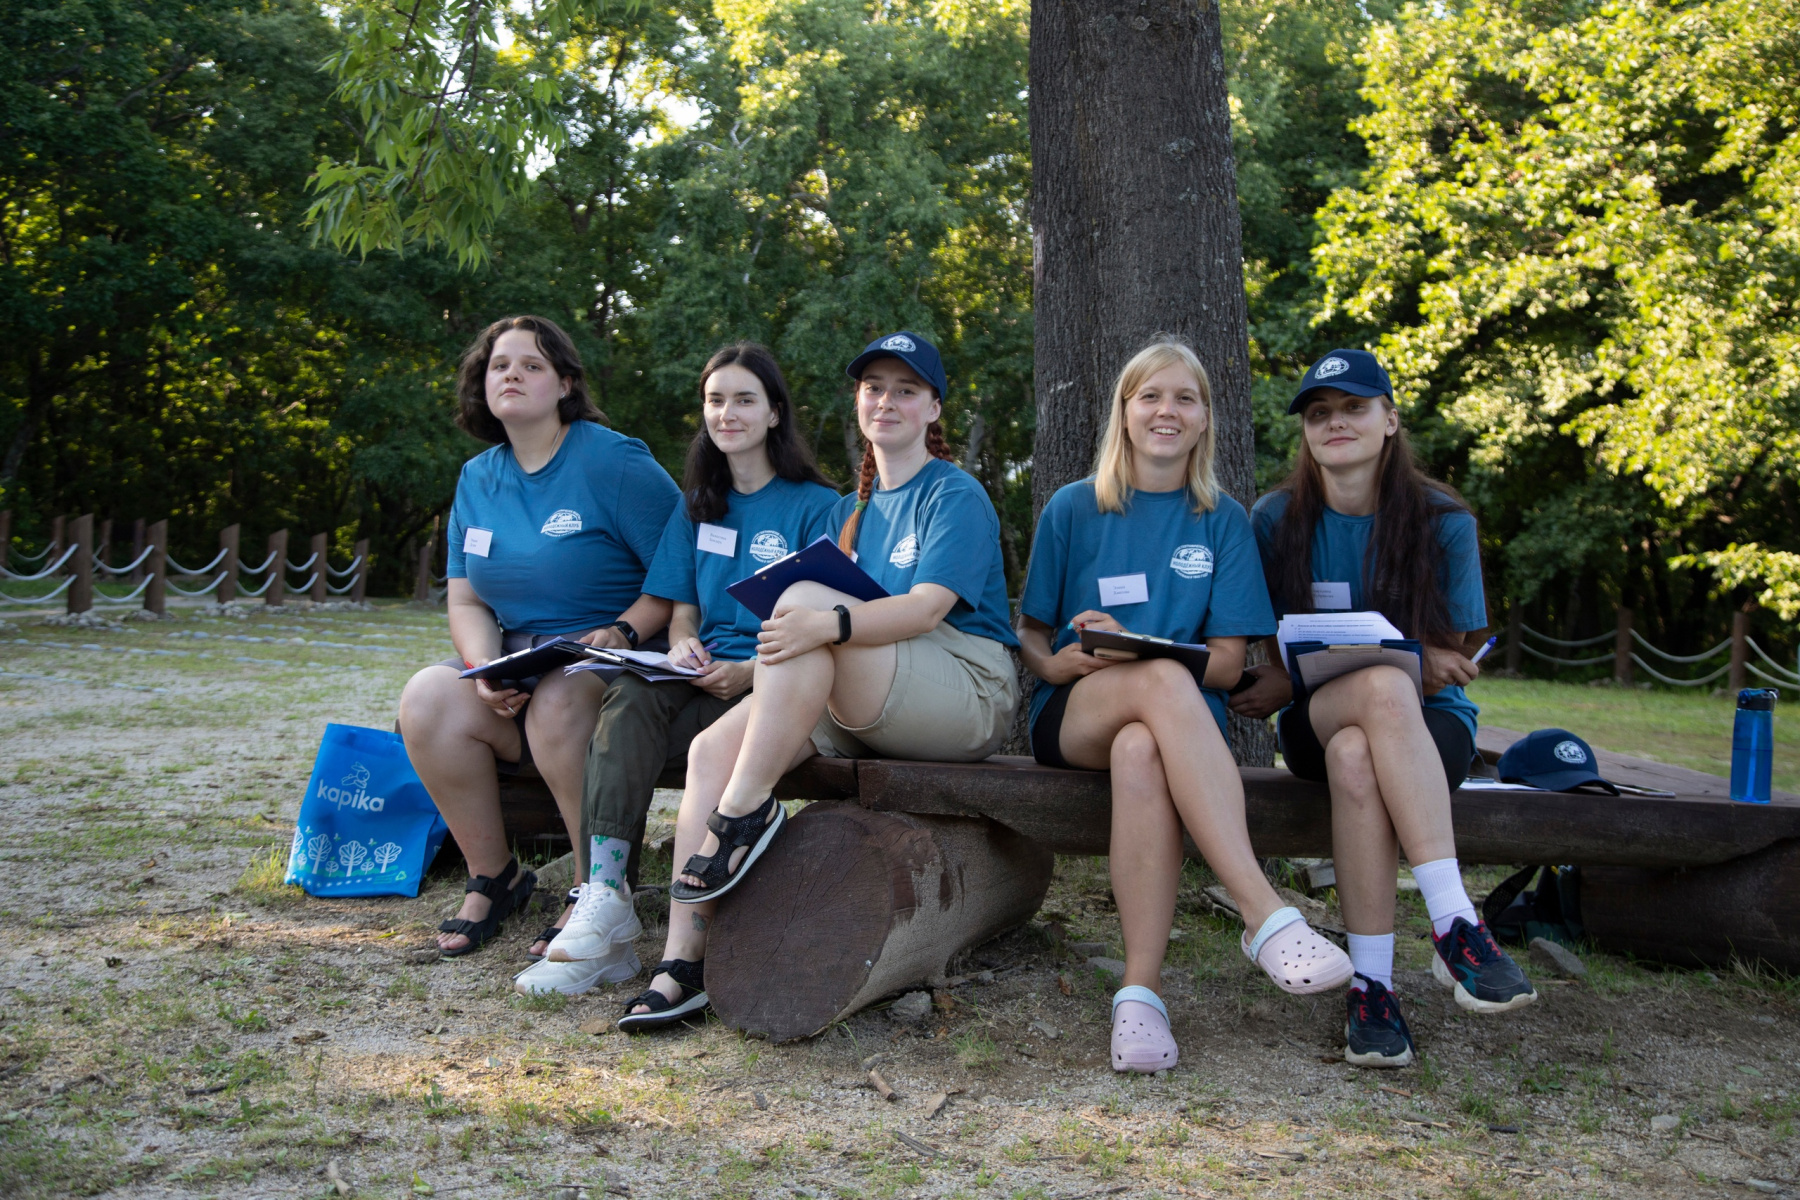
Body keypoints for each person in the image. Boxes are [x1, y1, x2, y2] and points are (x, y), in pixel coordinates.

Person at [618, 331, 1019, 1031]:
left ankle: (744, 814)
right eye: (873, 388)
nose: (886, 401)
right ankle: (683, 963)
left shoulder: (953, 492)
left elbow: (926, 610)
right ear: (858, 402)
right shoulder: (852, 511)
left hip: (965, 686)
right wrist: (814, 626)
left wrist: (823, 621)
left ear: (933, 408)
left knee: (805, 604)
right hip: (873, 687)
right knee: (711, 751)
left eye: (905, 390)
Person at [1016, 338, 1353, 1075]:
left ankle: (1139, 995)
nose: (1166, 411)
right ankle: (1262, 912)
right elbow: (1031, 631)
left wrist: (1142, 647)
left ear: (1204, 419)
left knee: (1143, 742)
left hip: (1175, 730)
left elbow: (1228, 665)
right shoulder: (1075, 506)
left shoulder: (1222, 519)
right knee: (1164, 683)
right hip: (1075, 711)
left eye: (1185, 398)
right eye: (1150, 396)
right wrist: (1051, 661)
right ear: (1124, 412)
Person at [1230, 348, 1536, 1070]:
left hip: (1430, 729)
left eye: (1354, 408)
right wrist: (1390, 661)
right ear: (1306, 432)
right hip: (1314, 717)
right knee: (1377, 691)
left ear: (1390, 420)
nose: (1336, 422)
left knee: (1358, 752)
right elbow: (1267, 646)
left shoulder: (1442, 518)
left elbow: (1455, 654)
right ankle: (1455, 921)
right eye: (1319, 413)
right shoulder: (1274, 519)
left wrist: (1413, 660)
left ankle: (1372, 990)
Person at [513, 343, 840, 995]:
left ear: (775, 413)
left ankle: (650, 931)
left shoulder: (818, 505)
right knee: (630, 694)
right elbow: (682, 610)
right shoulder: (698, 504)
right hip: (697, 680)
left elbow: (830, 625)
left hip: (772, 690)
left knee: (646, 722)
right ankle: (605, 899)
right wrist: (685, 644)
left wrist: (749, 670)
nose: (727, 413)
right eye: (715, 400)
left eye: (744, 400)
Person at [397, 315, 679, 958]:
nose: (513, 376)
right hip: (519, 660)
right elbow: (466, 597)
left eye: (532, 365)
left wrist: (623, 629)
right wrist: (483, 666)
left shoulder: (615, 461)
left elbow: (680, 569)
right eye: (500, 366)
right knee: (427, 697)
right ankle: (494, 878)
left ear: (565, 384)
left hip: (620, 654)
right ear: (482, 384)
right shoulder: (478, 477)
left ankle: (597, 889)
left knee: (558, 698)